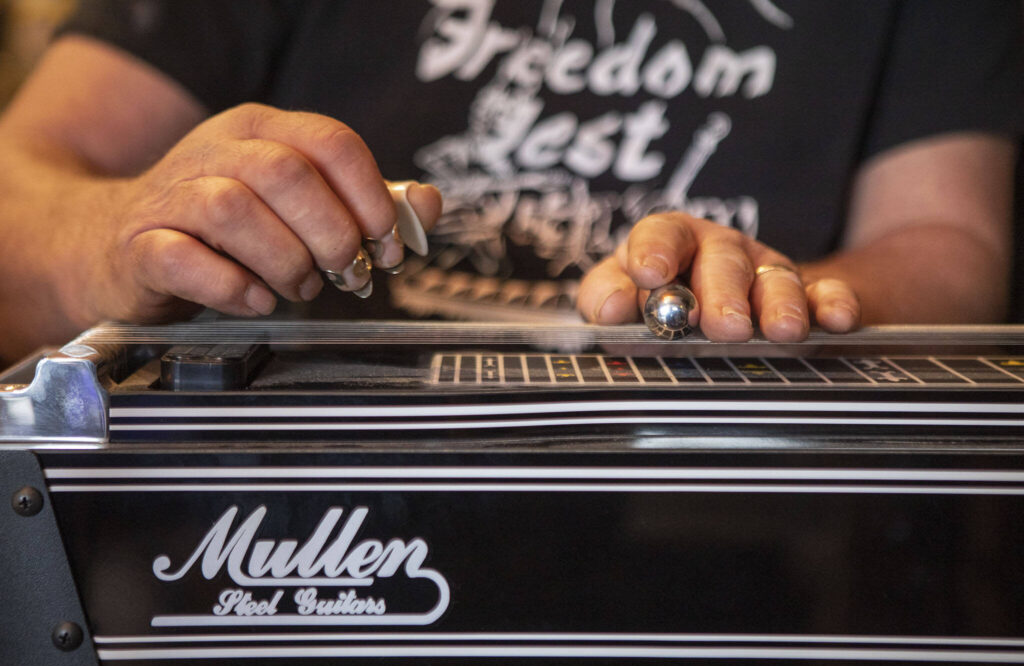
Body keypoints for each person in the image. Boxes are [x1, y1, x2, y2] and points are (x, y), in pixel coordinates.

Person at [0, 0, 1019, 367]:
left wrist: (776, 298)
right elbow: (17, 194)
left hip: (746, 533)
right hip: (291, 541)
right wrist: (112, 233)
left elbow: (946, 240)